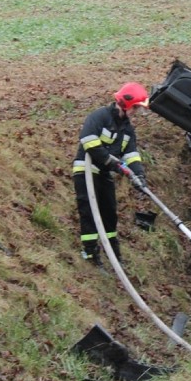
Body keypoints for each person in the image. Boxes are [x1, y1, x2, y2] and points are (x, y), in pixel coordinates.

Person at [72, 83, 148, 265]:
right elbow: (88, 141)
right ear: (126, 103)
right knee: (89, 212)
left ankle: (113, 251)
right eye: (136, 107)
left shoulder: (127, 129)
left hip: (105, 174)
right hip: (86, 170)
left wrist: (139, 176)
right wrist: (110, 162)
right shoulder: (100, 117)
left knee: (109, 213)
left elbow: (131, 154)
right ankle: (91, 254)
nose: (136, 112)